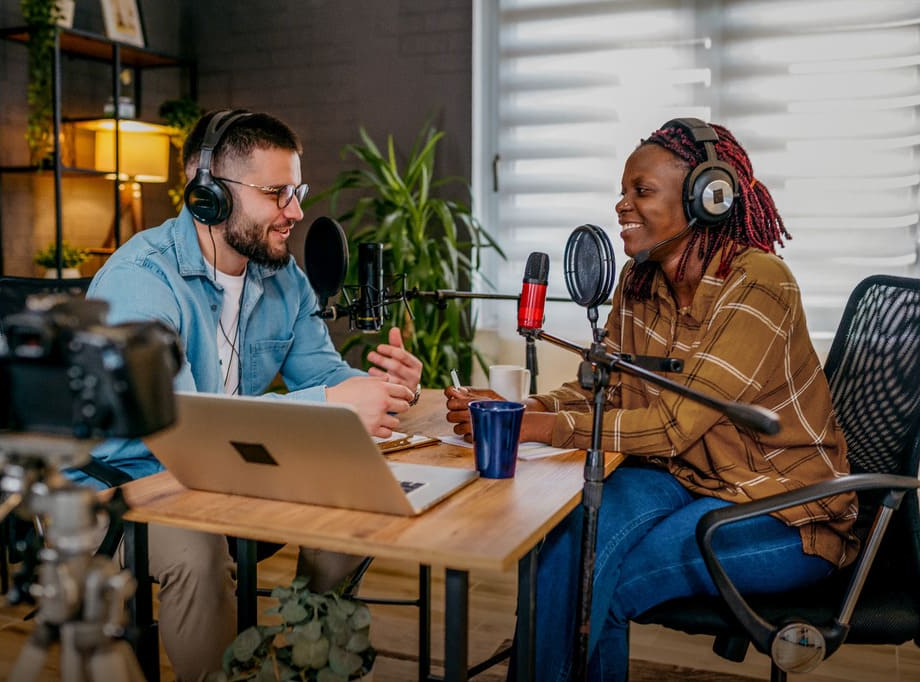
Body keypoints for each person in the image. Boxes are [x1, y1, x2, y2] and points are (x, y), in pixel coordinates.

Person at [445, 118, 859, 681]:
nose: (622, 205)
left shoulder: (760, 283)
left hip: (784, 511)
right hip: (686, 480)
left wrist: (535, 430)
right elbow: (600, 389)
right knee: (565, 543)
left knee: (600, 578)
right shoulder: (639, 284)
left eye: (642, 191)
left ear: (707, 199)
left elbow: (673, 426)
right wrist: (521, 410)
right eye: (623, 191)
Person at [79, 109, 423, 681]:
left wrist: (379, 388)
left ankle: (305, 657)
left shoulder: (282, 276)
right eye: (276, 193)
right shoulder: (139, 281)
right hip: (121, 486)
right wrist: (336, 407)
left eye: (298, 190)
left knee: (361, 497)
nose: (296, 211)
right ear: (206, 191)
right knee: (197, 548)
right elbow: (179, 429)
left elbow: (323, 376)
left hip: (227, 473)